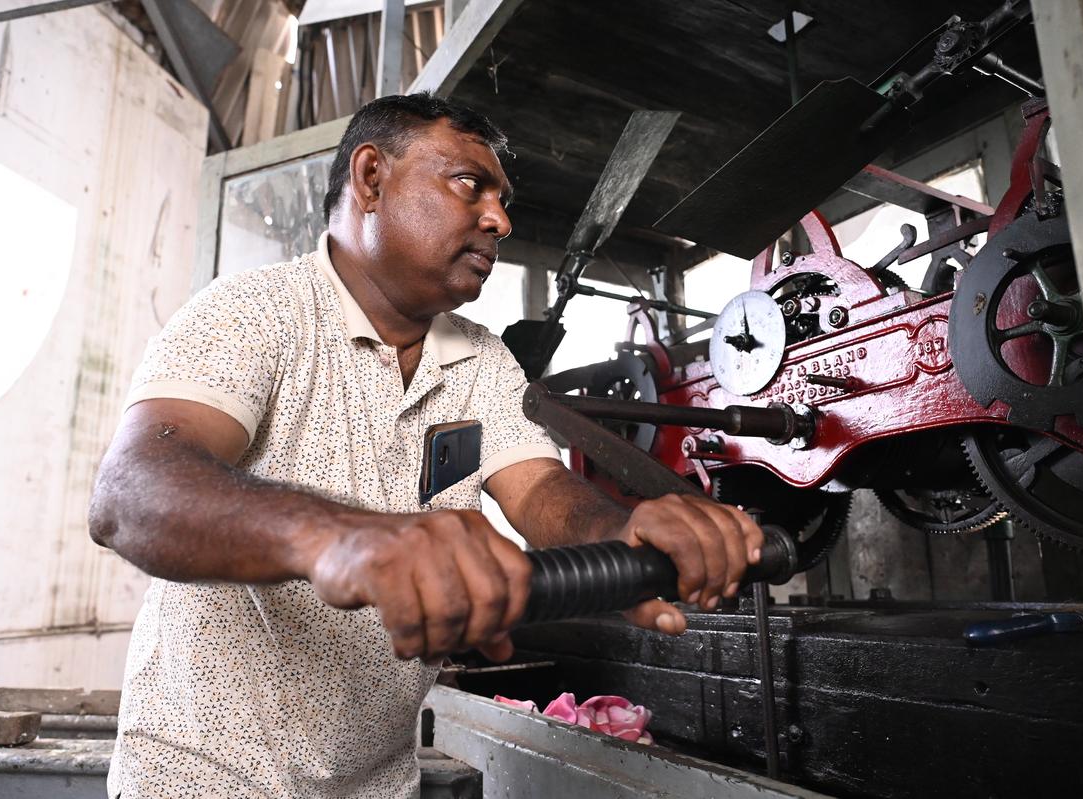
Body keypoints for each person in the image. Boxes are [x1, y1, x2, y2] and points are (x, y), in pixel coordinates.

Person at [89, 92, 763, 799]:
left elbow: (537, 489)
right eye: (469, 184)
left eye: (502, 199)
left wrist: (619, 531)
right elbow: (131, 490)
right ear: (372, 177)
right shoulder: (253, 313)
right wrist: (340, 537)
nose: (498, 219)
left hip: (378, 784)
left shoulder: (482, 358)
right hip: (204, 779)